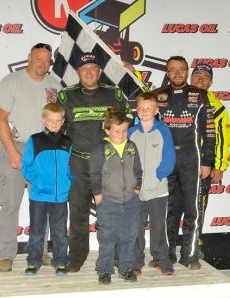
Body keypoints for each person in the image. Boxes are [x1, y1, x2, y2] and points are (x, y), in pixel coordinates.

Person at [0, 43, 62, 272]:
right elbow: (0, 119)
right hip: (17, 146)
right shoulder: (11, 81)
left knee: (42, 204)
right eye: (39, 58)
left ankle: (40, 251)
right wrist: (11, 151)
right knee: (10, 204)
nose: (43, 63)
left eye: (47, 60)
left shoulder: (54, 86)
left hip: (43, 149)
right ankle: (6, 254)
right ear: (29, 57)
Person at [57, 52, 129, 273]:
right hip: (77, 165)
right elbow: (57, 130)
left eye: (93, 68)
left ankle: (116, 255)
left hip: (107, 165)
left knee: (111, 212)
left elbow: (126, 126)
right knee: (77, 213)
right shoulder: (65, 96)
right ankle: (77, 257)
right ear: (78, 72)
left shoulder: (114, 94)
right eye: (84, 69)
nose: (89, 72)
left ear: (99, 71)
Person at [155, 56, 215, 270]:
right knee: (166, 209)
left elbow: (210, 132)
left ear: (187, 71)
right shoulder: (157, 96)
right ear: (167, 72)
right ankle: (166, 253)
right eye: (173, 70)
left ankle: (189, 255)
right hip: (166, 158)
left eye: (181, 69)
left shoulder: (201, 96)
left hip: (192, 157)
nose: (177, 74)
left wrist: (207, 161)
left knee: (192, 209)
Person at [89, 110, 142, 284]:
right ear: (107, 130)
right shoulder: (100, 149)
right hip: (108, 202)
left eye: (125, 131)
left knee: (129, 236)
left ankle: (126, 268)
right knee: (107, 237)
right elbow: (94, 174)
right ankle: (104, 269)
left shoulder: (131, 147)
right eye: (117, 131)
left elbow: (138, 170)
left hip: (131, 201)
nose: (121, 135)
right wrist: (98, 196)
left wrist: (137, 188)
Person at [128, 92, 176, 276]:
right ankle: (135, 262)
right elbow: (126, 159)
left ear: (156, 110)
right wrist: (132, 182)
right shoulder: (131, 133)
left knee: (158, 227)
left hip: (158, 190)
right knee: (136, 228)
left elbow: (169, 158)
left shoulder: (163, 131)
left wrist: (158, 176)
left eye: (149, 108)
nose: (145, 111)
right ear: (137, 110)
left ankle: (162, 261)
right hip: (136, 191)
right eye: (141, 108)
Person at [21, 103, 71, 276]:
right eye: (50, 120)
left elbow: (71, 167)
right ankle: (33, 261)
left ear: (63, 121)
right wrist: (38, 181)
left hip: (60, 197)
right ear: (44, 120)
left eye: (58, 121)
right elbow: (26, 166)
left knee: (60, 232)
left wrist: (68, 182)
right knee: (36, 232)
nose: (54, 124)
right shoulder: (35, 140)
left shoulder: (67, 142)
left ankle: (61, 261)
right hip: (39, 196)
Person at [190, 63, 230, 256]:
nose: (200, 79)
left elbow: (223, 140)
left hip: (204, 165)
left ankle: (195, 244)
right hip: (178, 162)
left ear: (211, 82)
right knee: (172, 207)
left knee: (199, 206)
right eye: (197, 75)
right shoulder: (178, 96)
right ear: (190, 78)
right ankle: (169, 247)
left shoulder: (219, 108)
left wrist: (220, 166)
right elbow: (151, 97)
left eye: (204, 77)